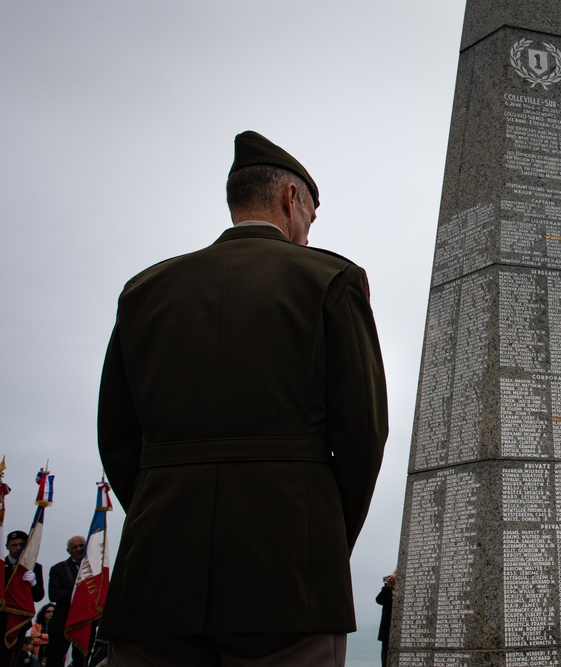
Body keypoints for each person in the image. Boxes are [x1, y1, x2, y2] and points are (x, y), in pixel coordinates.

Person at [97, 130, 389, 666]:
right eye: (310, 217)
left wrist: (162, 508)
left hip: (157, 568)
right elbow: (363, 433)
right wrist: (317, 535)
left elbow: (116, 437)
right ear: (290, 200)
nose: (306, 233)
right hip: (289, 570)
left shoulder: (143, 292)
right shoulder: (332, 279)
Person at [0, 530, 45, 667]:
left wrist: (33, 583)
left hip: (19, 619)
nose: (18, 548)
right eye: (14, 545)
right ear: (7, 546)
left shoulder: (34, 567)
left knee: (12, 656)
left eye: (21, 545)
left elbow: (39, 596)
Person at [47, 535, 87, 667]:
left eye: (82, 545)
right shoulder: (58, 569)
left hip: (85, 622)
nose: (79, 549)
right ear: (68, 551)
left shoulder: (95, 569)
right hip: (62, 622)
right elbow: (54, 594)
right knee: (55, 658)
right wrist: (78, 594)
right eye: (74, 547)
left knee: (81, 660)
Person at [375, 573, 396, 667]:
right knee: (385, 661)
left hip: (397, 630)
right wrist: (388, 587)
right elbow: (379, 600)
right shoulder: (387, 589)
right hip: (387, 631)